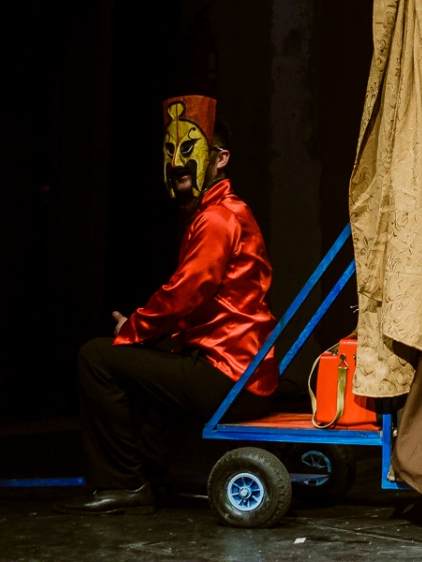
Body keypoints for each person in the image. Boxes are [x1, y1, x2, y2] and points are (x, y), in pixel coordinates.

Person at [56, 96, 278, 516]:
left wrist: (133, 327)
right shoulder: (217, 212)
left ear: (220, 159)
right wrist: (143, 336)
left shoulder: (219, 218)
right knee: (138, 356)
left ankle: (124, 483)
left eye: (188, 149)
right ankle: (152, 477)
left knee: (96, 357)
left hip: (229, 375)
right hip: (239, 372)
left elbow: (184, 294)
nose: (176, 163)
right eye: (170, 151)